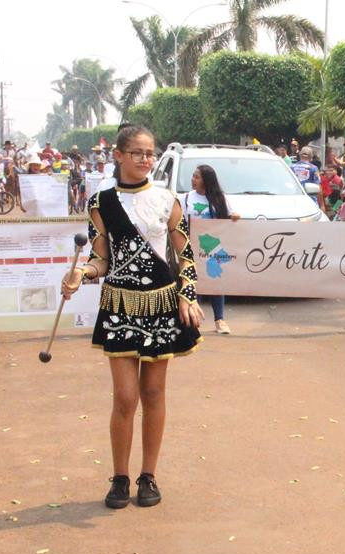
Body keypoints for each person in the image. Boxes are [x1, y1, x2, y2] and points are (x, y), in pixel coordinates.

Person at [60, 124, 203, 509]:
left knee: (153, 392)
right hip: (120, 305)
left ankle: (148, 476)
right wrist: (81, 273)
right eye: (137, 153)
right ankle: (120, 477)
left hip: (160, 304)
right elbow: (100, 259)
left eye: (150, 153)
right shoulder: (100, 202)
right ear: (119, 156)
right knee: (124, 397)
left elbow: (186, 255)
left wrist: (187, 297)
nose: (145, 160)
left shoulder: (167, 199)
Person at [184, 164, 241, 335]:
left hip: (213, 247)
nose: (193, 180)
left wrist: (235, 217)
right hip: (192, 247)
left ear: (206, 180)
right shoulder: (186, 198)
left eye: (196, 177)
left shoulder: (219, 198)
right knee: (194, 283)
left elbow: (231, 215)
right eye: (193, 176)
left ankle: (220, 320)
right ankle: (194, 320)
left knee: (215, 282)